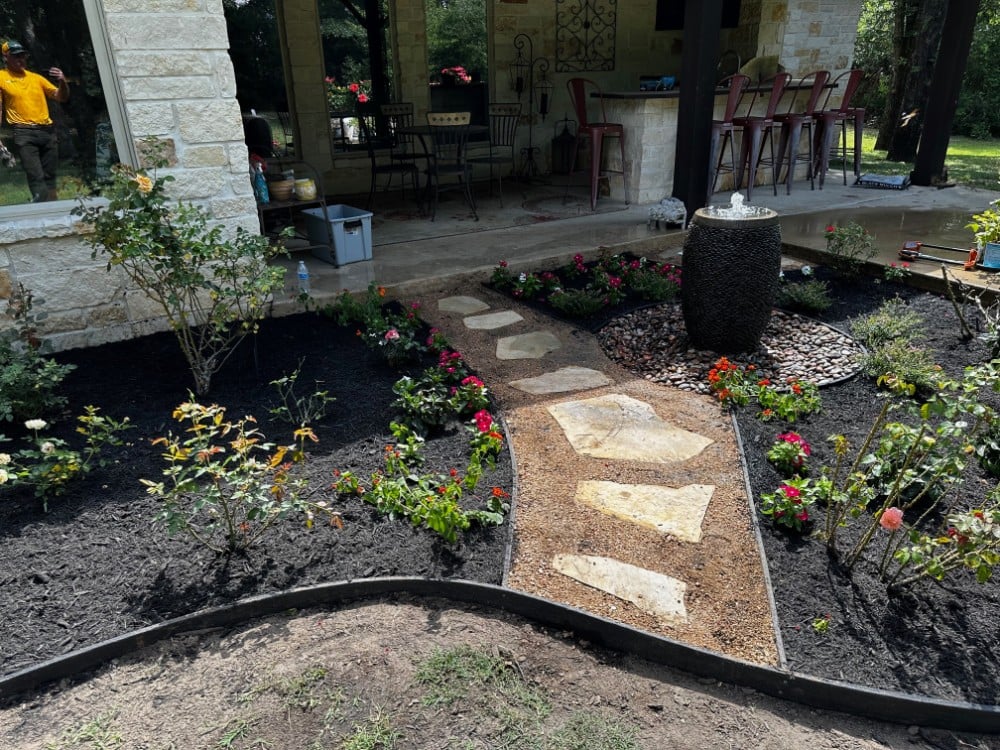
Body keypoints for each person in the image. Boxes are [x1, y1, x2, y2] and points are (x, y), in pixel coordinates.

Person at [0, 40, 69, 202]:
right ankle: (41, 207)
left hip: (47, 131)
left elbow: (61, 97)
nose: (20, 59)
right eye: (16, 56)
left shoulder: (36, 78)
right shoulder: (2, 77)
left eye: (23, 56)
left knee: (50, 175)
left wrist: (62, 81)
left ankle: (53, 207)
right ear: (6, 57)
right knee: (35, 175)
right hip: (23, 132)